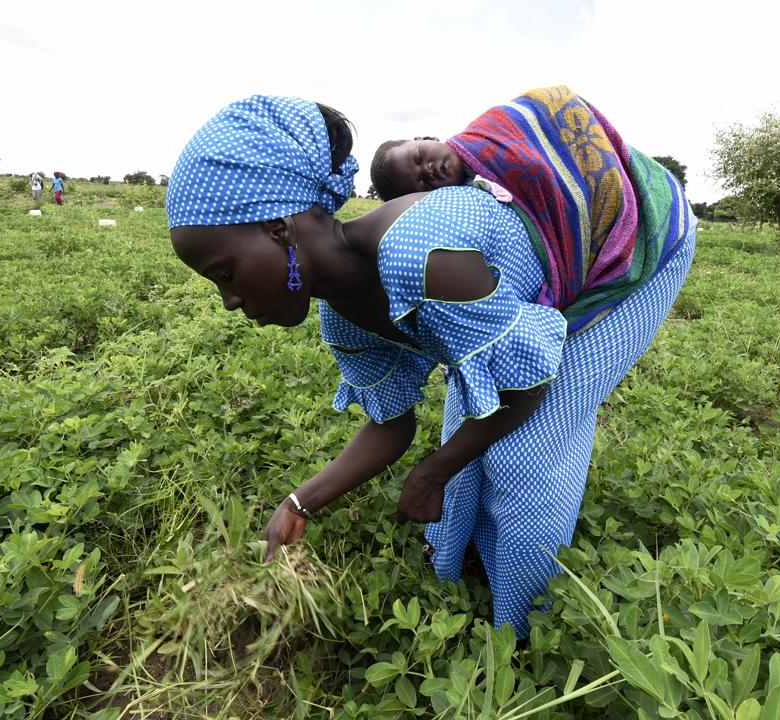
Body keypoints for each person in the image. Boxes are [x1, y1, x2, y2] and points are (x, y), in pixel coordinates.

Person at [165, 95, 695, 639]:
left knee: (525, 454)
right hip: (527, 295)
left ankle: (524, 635)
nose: (228, 301)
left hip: (629, 247)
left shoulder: (418, 252)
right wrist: (302, 501)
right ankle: (458, 573)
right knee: (472, 421)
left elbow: (526, 385)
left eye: (224, 274)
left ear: (278, 229)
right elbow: (391, 424)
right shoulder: (343, 322)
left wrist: (434, 469)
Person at [370, 85, 687, 334]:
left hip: (645, 198)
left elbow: (549, 102)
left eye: (419, 156)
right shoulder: (461, 211)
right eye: (422, 184)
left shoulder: (493, 127)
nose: (430, 170)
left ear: (424, 137)